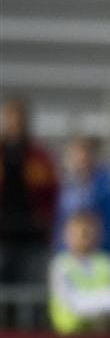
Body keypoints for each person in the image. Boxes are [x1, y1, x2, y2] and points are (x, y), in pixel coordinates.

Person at [48, 210, 110, 336]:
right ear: (67, 235)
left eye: (90, 233)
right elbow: (73, 304)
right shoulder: (61, 266)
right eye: (82, 233)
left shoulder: (109, 263)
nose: (86, 238)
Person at [0, 97, 59, 285]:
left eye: (19, 120)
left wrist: (43, 219)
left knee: (29, 293)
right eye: (10, 120)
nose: (14, 125)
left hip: (32, 237)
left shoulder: (40, 158)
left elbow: (52, 193)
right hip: (2, 235)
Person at [54, 135, 110, 255]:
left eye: (85, 155)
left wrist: (108, 249)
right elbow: (61, 221)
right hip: (72, 255)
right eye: (77, 155)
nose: (81, 160)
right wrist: (64, 248)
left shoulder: (107, 188)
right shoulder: (67, 188)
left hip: (102, 253)